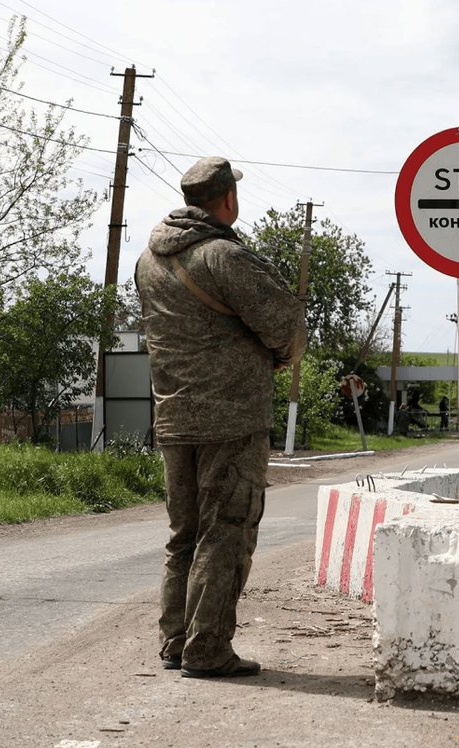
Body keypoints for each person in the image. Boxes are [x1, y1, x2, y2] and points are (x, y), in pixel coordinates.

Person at [134, 156, 306, 678]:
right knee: (226, 530)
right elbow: (285, 324)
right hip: (230, 418)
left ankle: (175, 641)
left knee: (183, 535)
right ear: (228, 198)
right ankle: (207, 648)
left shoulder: (148, 260)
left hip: (172, 417)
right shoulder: (224, 257)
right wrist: (282, 354)